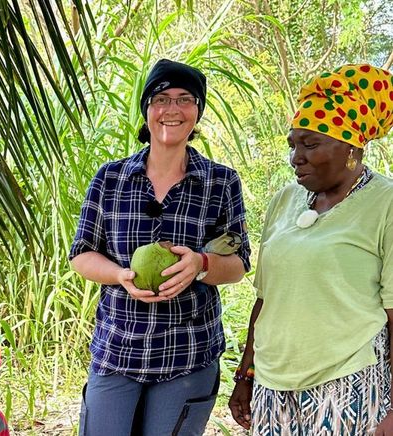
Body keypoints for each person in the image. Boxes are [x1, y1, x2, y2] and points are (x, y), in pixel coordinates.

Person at [69, 58, 252, 435]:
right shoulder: (111, 178)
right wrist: (120, 275)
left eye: (185, 99)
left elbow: (238, 263)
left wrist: (200, 263)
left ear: (197, 111)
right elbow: (82, 254)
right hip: (119, 347)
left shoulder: (220, 183)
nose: (172, 109)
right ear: (147, 110)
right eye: (161, 98)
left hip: (188, 351)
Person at [229, 64, 393, 435]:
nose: (295, 158)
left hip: (347, 382)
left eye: (310, 144)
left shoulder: (386, 203)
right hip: (273, 386)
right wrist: (246, 373)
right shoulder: (286, 199)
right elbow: (265, 300)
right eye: (293, 145)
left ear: (351, 146)